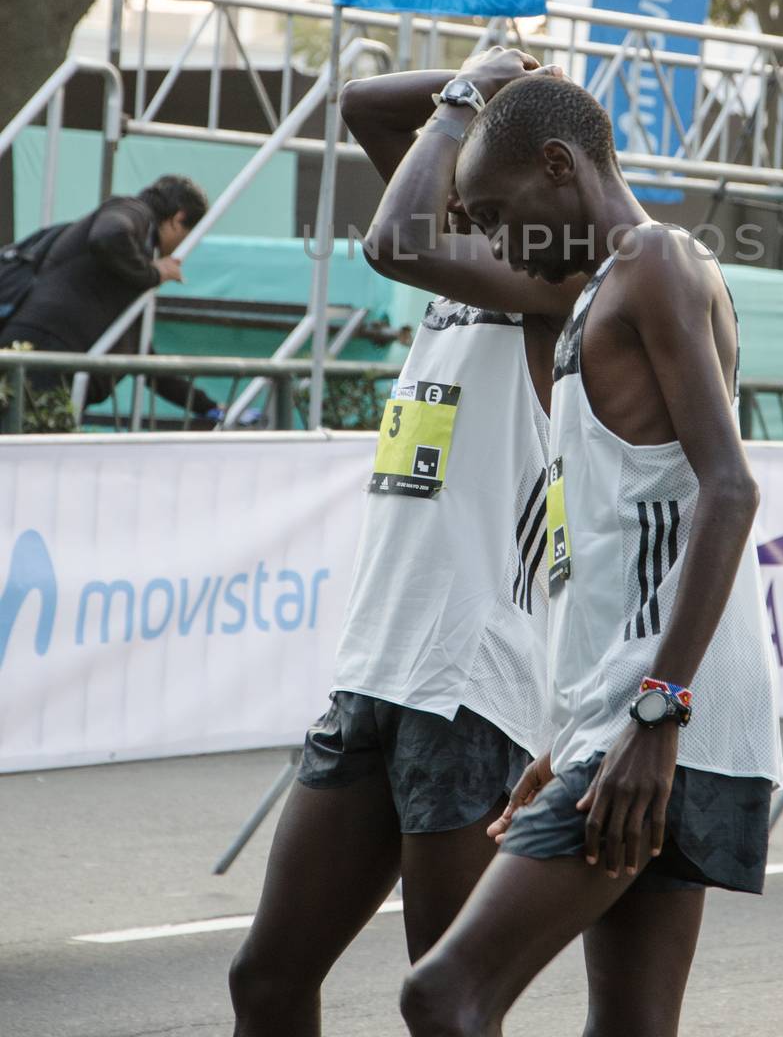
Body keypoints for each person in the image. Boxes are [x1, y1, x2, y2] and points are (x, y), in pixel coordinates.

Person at [399, 72, 783, 1037]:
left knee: (441, 994)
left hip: (664, 718)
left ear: (560, 167)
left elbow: (729, 489)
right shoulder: (591, 298)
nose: (493, 239)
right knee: (630, 1025)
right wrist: (567, 734)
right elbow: (611, 544)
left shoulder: (655, 259)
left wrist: (656, 715)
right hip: (630, 716)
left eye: (495, 212)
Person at [229, 52, 586, 1037]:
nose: (467, 199)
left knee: (444, 1006)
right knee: (264, 979)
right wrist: (482, 76)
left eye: (489, 183)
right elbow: (358, 104)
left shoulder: (554, 276)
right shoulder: (476, 244)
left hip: (469, 681)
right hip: (377, 670)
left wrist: (472, 93)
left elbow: (392, 238)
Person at [0, 174, 218, 424]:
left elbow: (144, 358)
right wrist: (156, 273)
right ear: (178, 219)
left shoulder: (131, 263)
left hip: (47, 357)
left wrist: (208, 407)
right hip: (41, 350)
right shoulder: (134, 211)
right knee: (28, 450)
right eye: (190, 235)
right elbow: (109, 235)